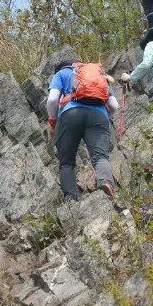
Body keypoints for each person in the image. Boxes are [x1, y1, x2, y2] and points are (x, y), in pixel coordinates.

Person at [47, 55, 119, 200]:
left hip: (71, 114)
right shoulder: (98, 75)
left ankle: (71, 198)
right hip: (98, 115)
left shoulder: (61, 73)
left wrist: (53, 124)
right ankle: (105, 182)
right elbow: (114, 105)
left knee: (66, 162)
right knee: (100, 157)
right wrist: (102, 117)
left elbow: (53, 99)